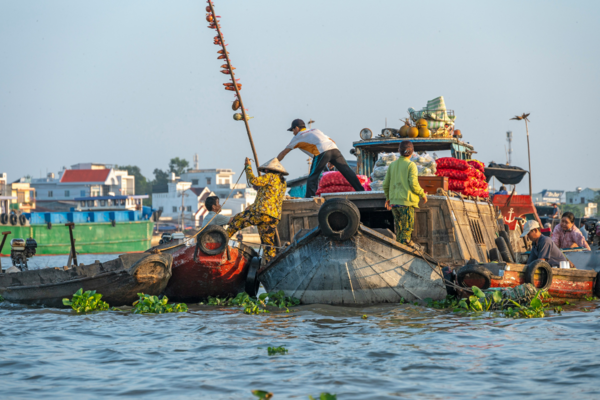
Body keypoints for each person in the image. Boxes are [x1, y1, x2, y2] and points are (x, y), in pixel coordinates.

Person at [277, 119, 364, 198]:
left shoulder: (298, 136)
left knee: (312, 177)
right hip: (334, 149)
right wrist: (332, 160)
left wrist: (275, 162)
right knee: (347, 171)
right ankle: (361, 191)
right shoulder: (315, 130)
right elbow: (332, 140)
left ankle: (309, 199)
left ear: (296, 128)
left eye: (293, 130)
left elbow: (284, 152)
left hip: (321, 151)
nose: (293, 133)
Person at [226, 157, 287, 262]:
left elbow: (253, 180)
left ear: (269, 170)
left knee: (236, 221)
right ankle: (269, 265)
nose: (265, 173)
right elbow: (268, 195)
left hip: (261, 212)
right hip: (273, 217)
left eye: (266, 171)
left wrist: (248, 167)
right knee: (268, 245)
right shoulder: (282, 183)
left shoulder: (270, 177)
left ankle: (220, 242)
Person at [382, 140, 427, 246]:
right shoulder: (411, 165)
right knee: (406, 232)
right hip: (406, 204)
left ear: (399, 151)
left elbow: (385, 184)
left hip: (394, 204)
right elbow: (413, 184)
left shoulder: (392, 165)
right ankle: (402, 255)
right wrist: (422, 194)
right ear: (412, 152)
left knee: (399, 231)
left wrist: (388, 198)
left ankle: (397, 255)